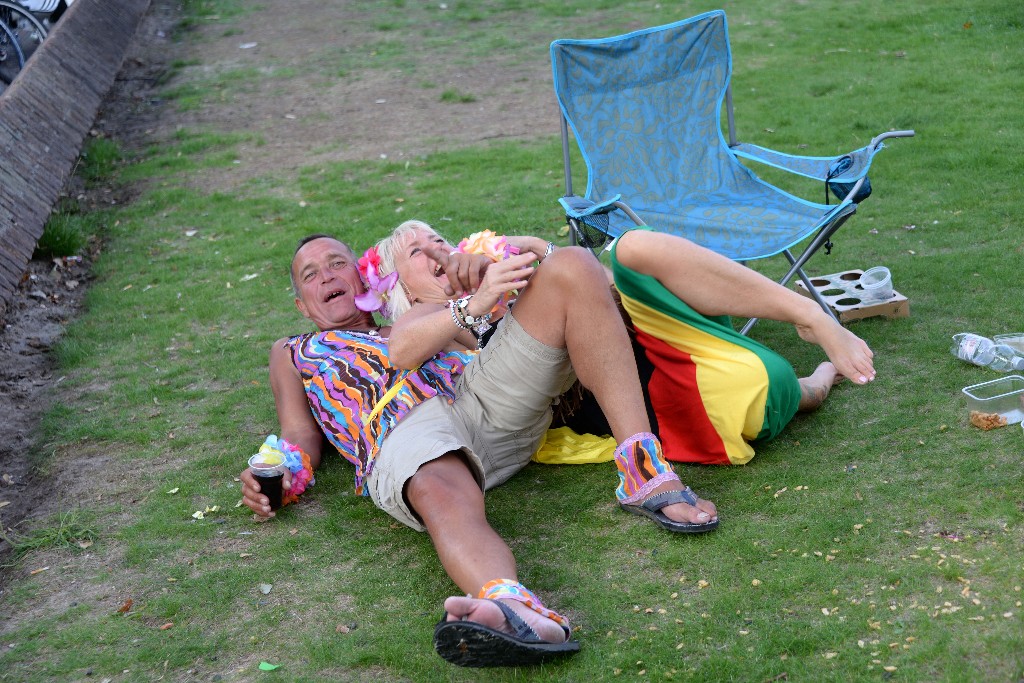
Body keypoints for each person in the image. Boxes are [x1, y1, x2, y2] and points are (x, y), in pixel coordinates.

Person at [241, 232, 715, 669]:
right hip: (396, 423)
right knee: (436, 483)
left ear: (359, 276)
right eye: (311, 274)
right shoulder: (295, 349)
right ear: (302, 304)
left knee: (572, 263)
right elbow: (299, 432)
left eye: (336, 263)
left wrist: (476, 283)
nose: (326, 275)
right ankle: (512, 606)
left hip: (480, 400)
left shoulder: (410, 314)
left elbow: (496, 334)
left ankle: (643, 469)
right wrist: (280, 474)